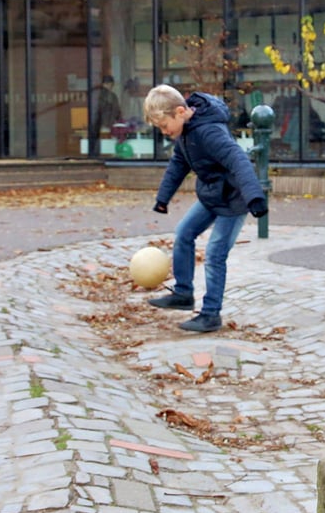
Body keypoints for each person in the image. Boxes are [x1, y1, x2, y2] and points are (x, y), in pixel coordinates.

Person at [143, 85, 267, 333]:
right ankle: (183, 293)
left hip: (234, 200)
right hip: (212, 194)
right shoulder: (186, 133)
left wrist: (255, 196)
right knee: (184, 233)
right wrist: (163, 198)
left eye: (164, 125)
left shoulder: (209, 131)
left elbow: (237, 158)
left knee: (215, 254)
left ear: (180, 112)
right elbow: (178, 164)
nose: (165, 132)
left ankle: (210, 314)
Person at [91, 74, 121, 158]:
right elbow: (116, 110)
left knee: (98, 141)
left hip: (99, 123)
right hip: (106, 123)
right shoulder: (110, 96)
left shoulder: (97, 95)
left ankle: (96, 155)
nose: (111, 86)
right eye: (110, 84)